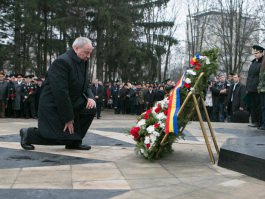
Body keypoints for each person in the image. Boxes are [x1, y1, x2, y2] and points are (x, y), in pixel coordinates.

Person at [19, 37, 96, 150]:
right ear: (76, 48)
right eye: (86, 52)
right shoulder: (62, 62)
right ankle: (28, 134)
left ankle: (75, 141)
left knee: (90, 108)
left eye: (90, 53)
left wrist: (90, 97)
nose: (88, 56)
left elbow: (85, 83)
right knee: (57, 136)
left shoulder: (83, 61)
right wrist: (68, 118)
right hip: (54, 104)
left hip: (72, 101)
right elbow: (61, 93)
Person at [246, 45, 264, 127]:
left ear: (261, 52)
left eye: (257, 53)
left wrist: (258, 87)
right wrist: (248, 87)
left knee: (259, 106)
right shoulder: (254, 62)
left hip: (258, 88)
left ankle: (259, 122)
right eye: (254, 53)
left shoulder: (263, 62)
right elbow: (249, 76)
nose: (255, 54)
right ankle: (255, 121)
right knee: (252, 106)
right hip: (251, 88)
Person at [257, 55, 265, 130]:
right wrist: (259, 88)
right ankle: (263, 123)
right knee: (263, 107)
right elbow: (260, 79)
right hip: (262, 90)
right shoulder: (262, 66)